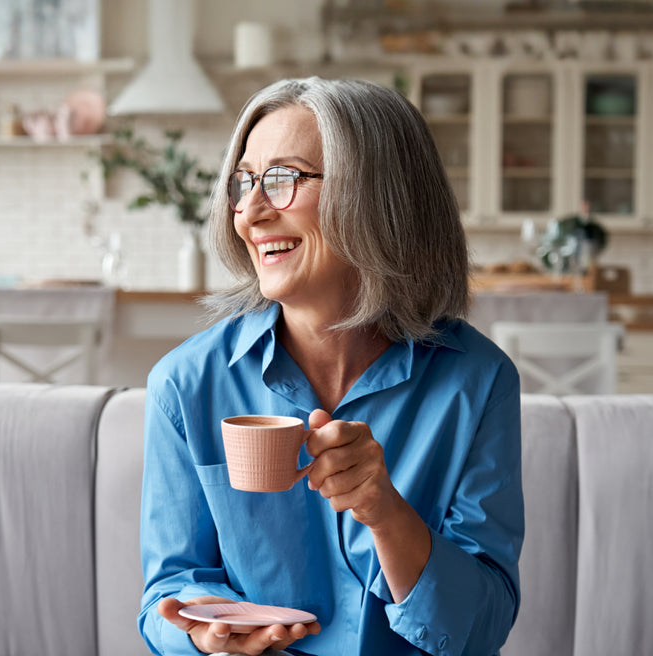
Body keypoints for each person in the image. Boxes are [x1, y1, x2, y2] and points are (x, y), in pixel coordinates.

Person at [139, 77, 523, 656]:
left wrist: (385, 512)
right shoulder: (185, 385)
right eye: (244, 183)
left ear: (378, 196)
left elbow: (482, 630)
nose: (250, 212)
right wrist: (205, 640)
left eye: (283, 179)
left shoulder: (477, 383)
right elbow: (167, 596)